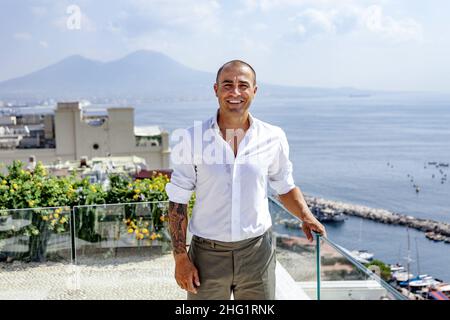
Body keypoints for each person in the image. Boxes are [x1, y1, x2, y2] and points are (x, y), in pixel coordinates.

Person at [165, 60, 326, 300]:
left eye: (243, 85)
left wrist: (305, 215)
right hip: (207, 254)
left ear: (254, 91)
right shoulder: (192, 139)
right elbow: (178, 201)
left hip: (257, 254)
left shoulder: (273, 137)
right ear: (216, 90)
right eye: (227, 85)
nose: (235, 92)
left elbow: (284, 185)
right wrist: (180, 258)